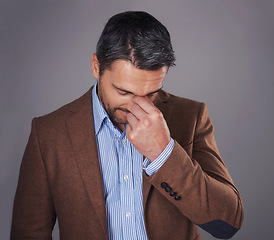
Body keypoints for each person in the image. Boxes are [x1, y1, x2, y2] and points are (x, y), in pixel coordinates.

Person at [11, 11, 243, 240]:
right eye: (124, 91)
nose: (137, 105)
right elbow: (28, 233)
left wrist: (164, 153)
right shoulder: (48, 133)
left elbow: (227, 224)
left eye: (151, 93)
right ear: (96, 67)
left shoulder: (192, 116)